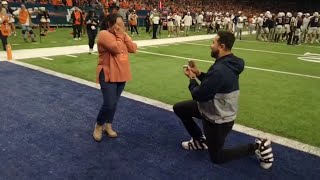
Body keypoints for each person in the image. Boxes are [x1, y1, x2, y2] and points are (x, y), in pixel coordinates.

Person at [173, 31, 274, 169]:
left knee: (217, 158)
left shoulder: (220, 69)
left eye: (213, 42)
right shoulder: (229, 63)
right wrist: (199, 74)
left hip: (219, 118)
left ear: (221, 46)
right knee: (180, 108)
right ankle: (199, 140)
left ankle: (258, 146)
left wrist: (192, 78)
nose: (210, 46)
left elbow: (199, 94)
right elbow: (213, 83)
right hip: (214, 107)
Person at [93, 14, 137, 142]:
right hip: (108, 73)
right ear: (109, 24)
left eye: (122, 23)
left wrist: (124, 35)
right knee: (109, 103)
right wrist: (120, 35)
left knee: (114, 103)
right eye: (118, 24)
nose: (121, 26)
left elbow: (133, 48)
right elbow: (117, 49)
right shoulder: (104, 34)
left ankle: (108, 125)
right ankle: (99, 125)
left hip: (121, 73)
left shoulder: (122, 35)